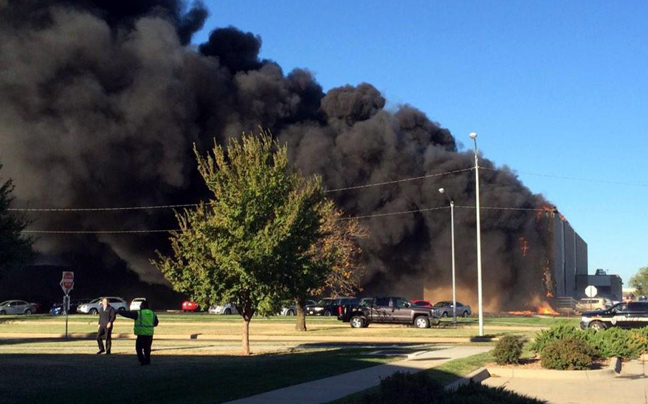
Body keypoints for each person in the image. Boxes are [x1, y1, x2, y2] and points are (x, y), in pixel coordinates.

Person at [118, 300, 159, 365]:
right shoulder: (153, 313)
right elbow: (156, 323)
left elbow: (127, 314)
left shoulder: (139, 313)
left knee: (138, 348)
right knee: (147, 348)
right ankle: (148, 360)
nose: (139, 306)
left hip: (141, 334)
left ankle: (142, 360)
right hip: (149, 334)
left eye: (140, 305)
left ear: (143, 306)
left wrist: (119, 311)